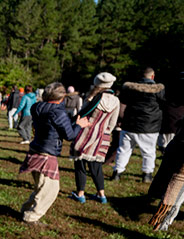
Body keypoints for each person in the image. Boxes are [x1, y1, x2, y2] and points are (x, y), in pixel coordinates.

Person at [19, 83, 91, 225]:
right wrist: (79, 125)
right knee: (50, 189)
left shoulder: (37, 107)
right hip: (47, 154)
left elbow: (54, 125)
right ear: (61, 97)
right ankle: (31, 217)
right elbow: (69, 135)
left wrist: (72, 121)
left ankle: (26, 209)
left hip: (36, 151)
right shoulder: (58, 112)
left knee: (41, 188)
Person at [69, 73, 119, 204]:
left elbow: (82, 114)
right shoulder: (116, 100)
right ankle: (101, 195)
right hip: (102, 135)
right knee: (96, 166)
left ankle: (80, 194)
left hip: (85, 132)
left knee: (80, 163)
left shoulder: (93, 97)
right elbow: (112, 123)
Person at [112, 67, 165, 183]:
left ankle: (117, 172)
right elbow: (164, 105)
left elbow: (122, 105)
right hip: (150, 126)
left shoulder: (130, 89)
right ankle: (147, 175)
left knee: (123, 150)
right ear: (152, 76)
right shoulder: (158, 90)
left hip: (130, 124)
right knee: (149, 152)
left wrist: (120, 120)